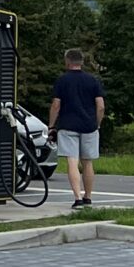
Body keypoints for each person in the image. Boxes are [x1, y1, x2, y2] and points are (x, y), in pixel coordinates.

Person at [46, 49, 105, 207]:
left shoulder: (62, 80)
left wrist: (51, 125)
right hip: (89, 126)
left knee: (72, 161)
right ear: (82, 62)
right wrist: (97, 123)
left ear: (67, 61)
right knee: (88, 162)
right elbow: (100, 106)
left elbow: (56, 105)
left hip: (68, 126)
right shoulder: (93, 80)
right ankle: (88, 197)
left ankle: (77, 198)